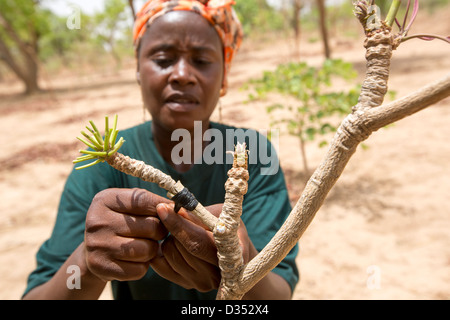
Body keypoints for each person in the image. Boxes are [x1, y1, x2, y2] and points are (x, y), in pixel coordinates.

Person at [23, 0, 299, 300]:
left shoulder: (252, 153)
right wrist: (87, 262)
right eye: (164, 58)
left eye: (202, 60)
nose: (182, 74)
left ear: (224, 75)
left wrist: (240, 262)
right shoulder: (102, 163)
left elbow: (278, 293)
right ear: (138, 71)